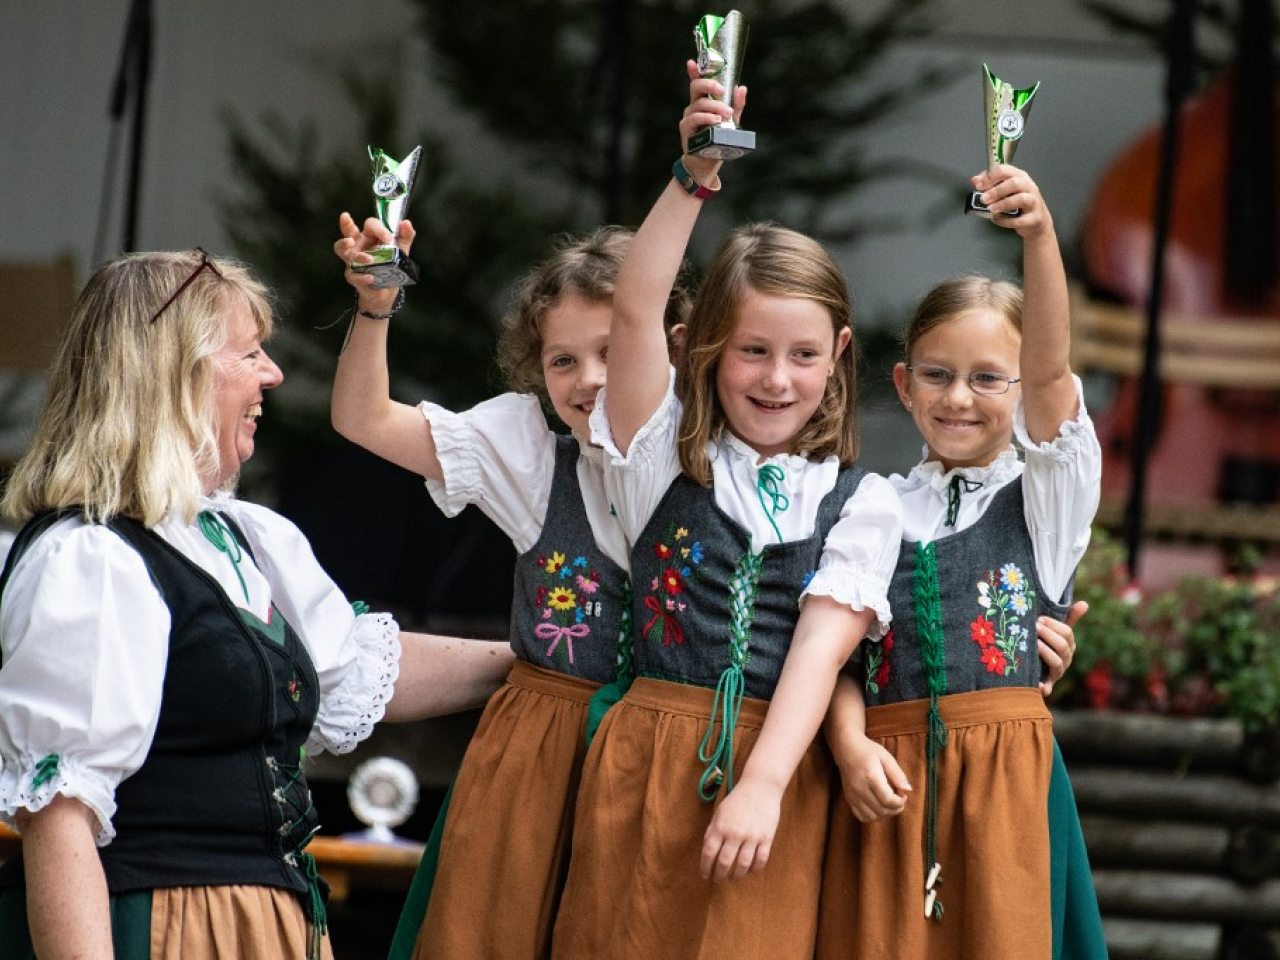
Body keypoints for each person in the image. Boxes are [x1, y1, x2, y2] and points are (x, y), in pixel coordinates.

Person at [0, 249, 513, 960]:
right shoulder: (89, 559)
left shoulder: (246, 539)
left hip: (271, 924)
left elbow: (359, 672)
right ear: (175, 376)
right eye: (249, 354)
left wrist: (536, 660)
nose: (272, 373)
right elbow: (60, 818)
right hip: (163, 924)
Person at [547, 65, 903, 958]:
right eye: (751, 350)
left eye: (802, 354)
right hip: (648, 756)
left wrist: (765, 783)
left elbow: (821, 653)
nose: (777, 379)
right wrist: (693, 177)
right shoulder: (661, 452)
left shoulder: (865, 503)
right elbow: (632, 312)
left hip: (775, 774)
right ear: (709, 346)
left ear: (839, 356)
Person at [331, 218, 689, 959]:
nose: (589, 379)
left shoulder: (718, 465)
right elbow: (363, 418)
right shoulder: (531, 459)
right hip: (541, 773)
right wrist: (374, 308)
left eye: (611, 352)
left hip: (666, 772)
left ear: (671, 347)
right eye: (563, 360)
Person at [817, 164, 1105, 959]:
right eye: (938, 376)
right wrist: (848, 746)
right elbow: (833, 660)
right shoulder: (870, 506)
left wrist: (1040, 237)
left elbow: (1050, 375)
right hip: (885, 786)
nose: (959, 399)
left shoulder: (1046, 503)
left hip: (1006, 792)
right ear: (904, 386)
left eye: (988, 379)